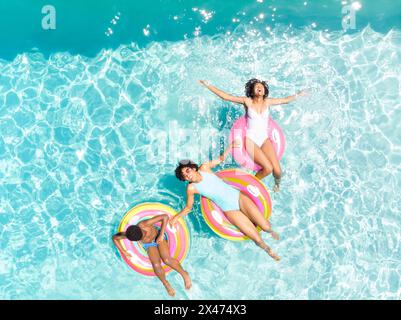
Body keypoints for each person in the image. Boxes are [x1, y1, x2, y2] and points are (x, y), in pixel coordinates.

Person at [170, 145, 280, 261]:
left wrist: (231, 147)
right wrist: (176, 217)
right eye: (185, 176)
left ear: (192, 168)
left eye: (187, 171)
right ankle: (270, 252)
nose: (188, 175)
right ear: (185, 179)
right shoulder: (191, 188)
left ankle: (271, 232)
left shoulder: (205, 168)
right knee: (257, 239)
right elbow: (188, 207)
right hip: (229, 210)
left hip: (239, 198)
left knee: (266, 227)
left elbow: (221, 159)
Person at [199, 78, 307, 192]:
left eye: (261, 86)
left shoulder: (268, 102)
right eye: (256, 86)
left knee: (278, 171)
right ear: (252, 91)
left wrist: (300, 94)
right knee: (267, 168)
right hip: (250, 140)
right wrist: (208, 85)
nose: (259, 87)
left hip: (264, 139)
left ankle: (277, 185)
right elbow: (225, 96)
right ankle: (249, 187)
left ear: (265, 91)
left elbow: (286, 100)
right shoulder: (247, 101)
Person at [113, 214, 191, 296]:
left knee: (166, 260)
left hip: (158, 237)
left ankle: (184, 274)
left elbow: (165, 217)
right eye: (140, 238)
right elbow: (114, 238)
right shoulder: (128, 234)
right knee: (156, 264)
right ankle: (166, 283)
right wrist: (123, 251)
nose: (143, 236)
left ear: (140, 229)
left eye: (143, 234)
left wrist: (161, 234)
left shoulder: (144, 224)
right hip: (149, 245)